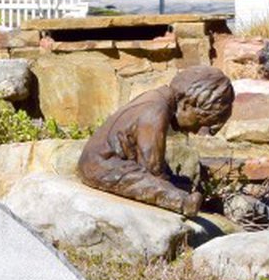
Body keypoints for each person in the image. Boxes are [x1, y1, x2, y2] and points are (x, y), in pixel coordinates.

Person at [77, 67, 236, 216]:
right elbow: (152, 168)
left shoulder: (157, 98)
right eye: (200, 123)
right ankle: (183, 203)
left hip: (113, 163)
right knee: (144, 183)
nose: (197, 131)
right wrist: (170, 187)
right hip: (102, 166)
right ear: (187, 105)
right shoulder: (156, 110)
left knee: (175, 182)